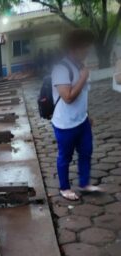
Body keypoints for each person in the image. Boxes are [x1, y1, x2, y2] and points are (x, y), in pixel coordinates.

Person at [51, 29, 101, 201]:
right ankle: (64, 188)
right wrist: (83, 78)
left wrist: (87, 115)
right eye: (84, 48)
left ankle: (84, 183)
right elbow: (68, 97)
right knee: (65, 157)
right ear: (73, 48)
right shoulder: (61, 69)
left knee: (86, 152)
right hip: (65, 125)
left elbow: (83, 97)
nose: (87, 51)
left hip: (82, 121)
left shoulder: (80, 67)